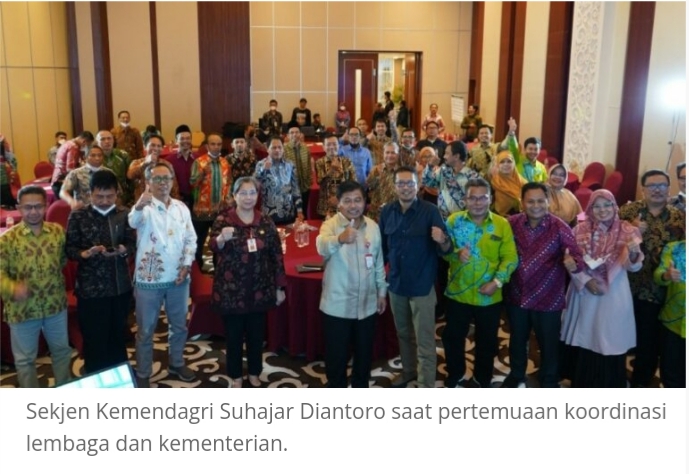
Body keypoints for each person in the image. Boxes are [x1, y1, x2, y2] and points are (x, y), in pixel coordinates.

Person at [503, 182, 584, 388]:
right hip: (517, 295)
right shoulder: (511, 224)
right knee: (517, 339)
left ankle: (549, 379)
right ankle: (516, 374)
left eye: (541, 201)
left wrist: (573, 262)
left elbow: (576, 255)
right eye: (531, 201)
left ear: (548, 202)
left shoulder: (560, 227)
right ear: (522, 202)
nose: (536, 206)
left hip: (548, 298)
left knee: (548, 343)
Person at [561, 189, 644, 388]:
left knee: (609, 337)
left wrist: (634, 254)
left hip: (614, 292)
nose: (602, 210)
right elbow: (570, 261)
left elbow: (634, 267)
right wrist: (585, 280)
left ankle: (610, 384)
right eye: (596, 206)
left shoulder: (627, 230)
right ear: (589, 209)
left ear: (614, 206)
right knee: (586, 336)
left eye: (607, 205)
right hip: (583, 291)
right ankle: (583, 382)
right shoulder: (578, 230)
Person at [209, 176, 286, 388]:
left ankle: (254, 372)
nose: (248, 197)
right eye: (243, 193)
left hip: (259, 289)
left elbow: (276, 255)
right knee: (233, 337)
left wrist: (280, 287)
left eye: (252, 193)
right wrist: (221, 239)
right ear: (234, 196)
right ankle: (235, 375)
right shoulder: (224, 219)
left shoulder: (265, 221)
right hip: (231, 291)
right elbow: (212, 246)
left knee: (256, 335)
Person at [441, 178, 518, 388]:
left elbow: (510, 258)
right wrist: (456, 253)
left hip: (489, 295)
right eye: (472, 198)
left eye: (482, 198)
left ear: (490, 199)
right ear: (465, 200)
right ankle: (455, 373)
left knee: (487, 341)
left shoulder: (501, 225)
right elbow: (443, 252)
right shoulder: (454, 221)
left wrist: (497, 282)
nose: (477, 203)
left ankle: (482, 378)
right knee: (453, 338)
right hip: (458, 293)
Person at [378, 166, 449, 388]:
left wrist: (442, 239)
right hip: (396, 284)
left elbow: (446, 250)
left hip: (422, 285)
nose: (406, 187)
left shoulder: (430, 211)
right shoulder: (387, 212)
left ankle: (426, 383)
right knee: (403, 334)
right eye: (401, 183)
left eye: (410, 183)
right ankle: (409, 372)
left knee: (424, 338)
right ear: (394, 186)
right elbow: (382, 250)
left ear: (418, 186)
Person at [128, 162, 197, 388]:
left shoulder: (181, 207)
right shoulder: (144, 208)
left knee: (179, 326)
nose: (162, 183)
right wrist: (139, 205)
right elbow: (132, 221)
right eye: (156, 179)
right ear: (148, 182)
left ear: (172, 181)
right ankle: (144, 371)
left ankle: (176, 362)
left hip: (178, 277)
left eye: (166, 178)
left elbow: (191, 238)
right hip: (150, 279)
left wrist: (187, 264)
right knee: (146, 330)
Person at [0, 185, 72, 387]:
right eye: (28, 207)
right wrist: (12, 288)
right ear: (18, 208)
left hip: (54, 305)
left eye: (38, 206)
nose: (33, 212)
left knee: (62, 351)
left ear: (46, 205)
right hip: (22, 310)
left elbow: (63, 261)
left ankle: (65, 392)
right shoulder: (7, 239)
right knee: (25, 360)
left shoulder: (58, 233)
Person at [65, 170, 136, 375]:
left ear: (117, 193)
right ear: (90, 193)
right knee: (95, 338)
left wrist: (123, 250)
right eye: (99, 196)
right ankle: (96, 378)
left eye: (109, 196)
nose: (104, 201)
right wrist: (85, 253)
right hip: (91, 289)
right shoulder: (79, 215)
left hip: (119, 286)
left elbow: (132, 243)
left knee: (117, 335)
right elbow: (69, 249)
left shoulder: (124, 213)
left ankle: (120, 378)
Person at [317, 181, 387, 388]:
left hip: (367, 304)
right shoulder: (330, 225)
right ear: (338, 203)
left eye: (358, 200)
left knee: (364, 356)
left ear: (365, 202)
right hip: (337, 305)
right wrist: (339, 238)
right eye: (347, 201)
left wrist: (381, 292)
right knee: (336, 357)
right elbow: (321, 247)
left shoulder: (372, 226)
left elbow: (378, 262)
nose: (353, 205)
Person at [619, 169, 685, 387]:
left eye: (662, 185)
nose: (657, 190)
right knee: (619, 335)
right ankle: (615, 379)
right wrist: (630, 230)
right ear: (643, 189)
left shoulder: (679, 217)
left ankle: (641, 383)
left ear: (669, 188)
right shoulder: (628, 211)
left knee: (648, 342)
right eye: (652, 185)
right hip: (625, 286)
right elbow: (609, 239)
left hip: (658, 290)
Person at [189, 132, 232, 270]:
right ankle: (197, 271)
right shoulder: (199, 162)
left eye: (219, 144)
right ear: (207, 146)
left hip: (219, 211)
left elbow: (228, 183)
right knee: (198, 243)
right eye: (213, 144)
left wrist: (229, 198)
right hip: (201, 211)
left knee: (219, 243)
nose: (216, 147)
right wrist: (202, 173)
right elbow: (192, 184)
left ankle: (218, 271)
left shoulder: (225, 162)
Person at [653, 240, 686, 388]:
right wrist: (666, 275)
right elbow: (658, 275)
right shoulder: (673, 248)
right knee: (670, 374)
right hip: (672, 323)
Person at [422, 140, 478, 220]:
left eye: (447, 153)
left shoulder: (472, 177)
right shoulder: (443, 171)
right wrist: (430, 166)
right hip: (442, 220)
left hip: (463, 222)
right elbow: (427, 182)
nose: (444, 156)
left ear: (456, 156)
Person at [254, 136, 304, 225]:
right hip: (269, 214)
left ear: (283, 149)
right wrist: (262, 170)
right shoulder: (261, 164)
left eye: (280, 147)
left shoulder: (290, 164)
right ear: (267, 149)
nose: (277, 150)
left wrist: (299, 210)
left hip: (288, 213)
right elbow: (253, 184)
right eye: (274, 148)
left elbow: (295, 188)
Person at [127, 134, 180, 202]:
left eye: (159, 146)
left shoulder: (167, 165)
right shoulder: (136, 163)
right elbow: (130, 175)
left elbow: (174, 188)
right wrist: (146, 162)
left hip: (162, 202)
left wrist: (176, 203)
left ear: (162, 149)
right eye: (152, 145)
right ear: (145, 147)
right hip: (143, 203)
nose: (155, 148)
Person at [314, 135, 355, 219]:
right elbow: (320, 182)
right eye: (328, 144)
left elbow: (353, 183)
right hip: (326, 206)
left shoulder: (347, 161)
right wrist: (331, 170)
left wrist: (339, 197)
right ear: (323, 147)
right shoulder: (319, 162)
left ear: (339, 146)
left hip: (344, 203)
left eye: (334, 144)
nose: (332, 147)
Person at [60, 145, 111, 210]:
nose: (97, 158)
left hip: (105, 210)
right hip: (83, 211)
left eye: (100, 155)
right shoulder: (76, 173)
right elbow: (63, 192)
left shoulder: (109, 173)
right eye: (93, 155)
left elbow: (118, 193)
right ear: (85, 157)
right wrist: (71, 201)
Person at [50, 131, 94, 197]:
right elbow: (70, 169)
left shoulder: (68, 143)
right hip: (63, 182)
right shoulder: (74, 147)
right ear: (84, 141)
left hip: (57, 179)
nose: (85, 147)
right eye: (87, 145)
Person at [505, 117, 548, 183]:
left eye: (536, 149)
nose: (533, 152)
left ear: (539, 150)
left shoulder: (542, 167)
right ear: (525, 149)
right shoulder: (517, 160)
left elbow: (545, 184)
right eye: (530, 149)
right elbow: (513, 147)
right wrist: (511, 132)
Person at [366, 142, 400, 222]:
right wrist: (377, 175)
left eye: (393, 153)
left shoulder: (401, 172)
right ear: (383, 154)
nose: (390, 155)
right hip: (376, 212)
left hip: (394, 212)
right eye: (387, 152)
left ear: (397, 155)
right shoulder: (375, 169)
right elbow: (369, 186)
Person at [97, 130, 132, 206]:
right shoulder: (94, 157)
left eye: (109, 138)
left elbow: (131, 179)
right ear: (97, 142)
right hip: (101, 196)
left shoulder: (122, 155)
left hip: (123, 197)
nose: (107, 141)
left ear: (113, 140)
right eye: (103, 139)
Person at [167, 124, 197, 209]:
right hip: (176, 200)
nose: (185, 141)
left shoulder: (198, 159)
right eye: (182, 138)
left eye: (188, 138)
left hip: (195, 199)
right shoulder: (169, 160)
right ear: (176, 140)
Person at [490, 150, 527, 217]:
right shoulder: (494, 182)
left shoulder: (523, 183)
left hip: (520, 217)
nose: (506, 164)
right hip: (499, 217)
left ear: (514, 164)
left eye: (509, 161)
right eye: (502, 162)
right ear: (498, 165)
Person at [283, 127, 313, 208]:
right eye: (292, 133)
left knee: (304, 208)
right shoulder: (284, 149)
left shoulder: (305, 148)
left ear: (300, 134)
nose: (295, 134)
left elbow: (309, 165)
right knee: (293, 210)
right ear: (288, 136)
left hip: (305, 186)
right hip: (291, 187)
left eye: (297, 132)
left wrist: (309, 181)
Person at [0, 135, 18, 208]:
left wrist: (13, 172)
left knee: (7, 204)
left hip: (3, 182)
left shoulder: (2, 143)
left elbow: (13, 160)